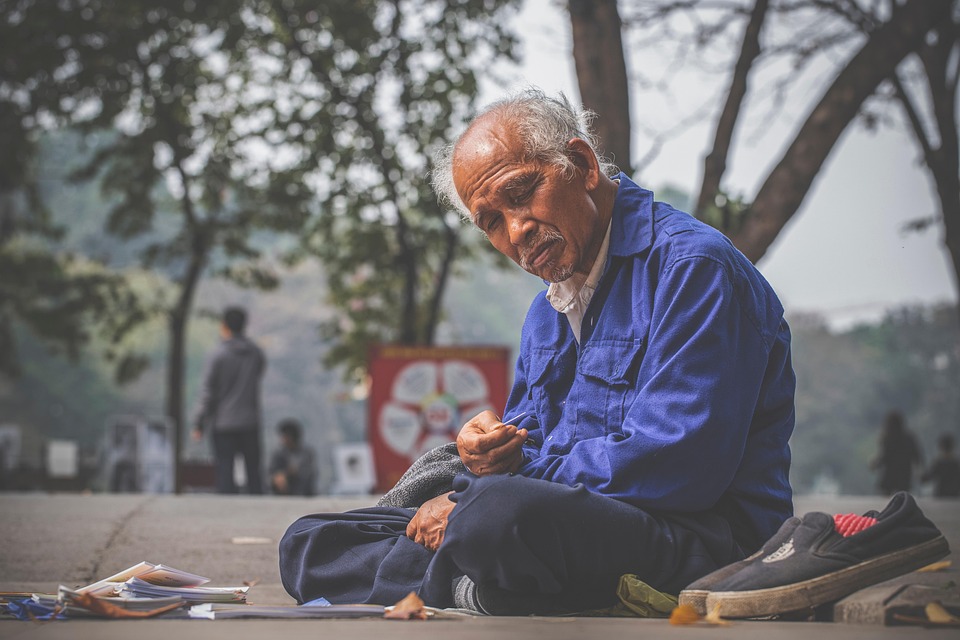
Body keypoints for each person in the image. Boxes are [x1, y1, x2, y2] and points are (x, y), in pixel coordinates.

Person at [279, 89, 796, 614]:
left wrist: (477, 497)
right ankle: (480, 588)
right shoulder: (546, 311)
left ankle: (466, 582)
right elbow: (530, 444)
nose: (517, 230)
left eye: (523, 194)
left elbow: (678, 465)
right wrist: (489, 453)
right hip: (563, 528)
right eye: (493, 222)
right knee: (311, 541)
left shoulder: (693, 268)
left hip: (701, 541)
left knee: (494, 516)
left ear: (581, 165)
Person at [193, 306, 266, 494]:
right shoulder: (256, 353)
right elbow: (259, 373)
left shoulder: (217, 355)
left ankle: (227, 510)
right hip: (250, 420)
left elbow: (208, 392)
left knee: (225, 469)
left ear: (224, 326)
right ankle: (259, 508)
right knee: (253, 470)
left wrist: (199, 422)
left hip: (223, 423)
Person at [870, 410, 922, 495]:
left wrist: (875, 464)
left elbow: (884, 457)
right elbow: (917, 456)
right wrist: (918, 471)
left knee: (886, 503)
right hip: (905, 476)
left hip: (889, 477)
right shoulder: (909, 438)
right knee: (903, 501)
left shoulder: (887, 438)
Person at [269, 418, 318, 496]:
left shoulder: (306, 453)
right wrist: (282, 475)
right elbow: (271, 472)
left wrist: (295, 472)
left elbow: (310, 474)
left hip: (304, 492)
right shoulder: (279, 454)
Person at [921, 433, 960, 497]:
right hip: (954, 497)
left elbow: (925, 478)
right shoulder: (956, 463)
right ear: (953, 446)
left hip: (941, 497)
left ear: (941, 447)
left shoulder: (939, 463)